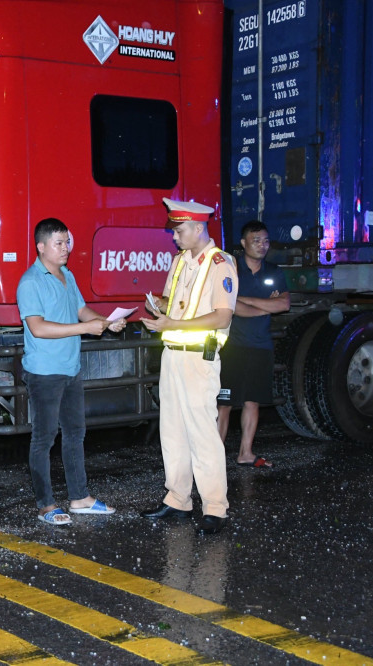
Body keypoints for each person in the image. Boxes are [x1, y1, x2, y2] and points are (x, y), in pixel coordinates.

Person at [16, 217, 125, 526]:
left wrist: (105, 322)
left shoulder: (67, 275)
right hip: (44, 372)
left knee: (75, 433)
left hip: (70, 368)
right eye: (59, 243)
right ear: (41, 247)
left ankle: (79, 498)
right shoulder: (30, 282)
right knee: (44, 438)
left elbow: (81, 310)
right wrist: (85, 328)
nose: (66, 248)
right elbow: (37, 328)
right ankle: (46, 505)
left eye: (67, 242)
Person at [140, 198, 237, 535]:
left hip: (198, 358)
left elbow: (222, 316)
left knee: (202, 434)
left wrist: (173, 324)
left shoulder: (220, 263)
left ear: (198, 228)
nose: (174, 237)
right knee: (172, 430)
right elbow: (174, 303)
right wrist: (160, 306)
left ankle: (215, 508)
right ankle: (178, 499)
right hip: (172, 355)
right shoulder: (180, 260)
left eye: (179, 231)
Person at [217, 221, 290, 468]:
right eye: (256, 240)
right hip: (232, 346)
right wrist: (266, 305)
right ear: (243, 243)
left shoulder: (274, 271)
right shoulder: (231, 269)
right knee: (224, 403)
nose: (262, 245)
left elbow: (284, 304)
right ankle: (214, 457)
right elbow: (230, 306)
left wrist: (246, 301)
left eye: (266, 241)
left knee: (253, 401)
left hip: (261, 345)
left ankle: (245, 453)